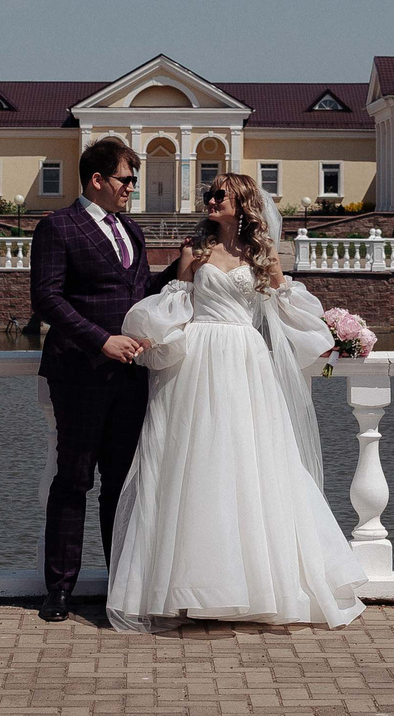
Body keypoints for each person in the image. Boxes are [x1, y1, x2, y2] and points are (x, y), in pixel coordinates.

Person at [102, 169, 367, 632]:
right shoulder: (195, 250)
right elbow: (175, 303)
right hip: (195, 364)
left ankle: (259, 586)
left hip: (245, 362)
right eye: (208, 193)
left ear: (242, 202)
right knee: (191, 466)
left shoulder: (261, 255)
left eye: (218, 194)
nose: (210, 199)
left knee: (252, 464)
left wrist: (333, 337)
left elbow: (288, 307)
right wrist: (150, 336)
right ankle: (184, 590)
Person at [27, 137, 154, 622]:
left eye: (134, 181)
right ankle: (59, 590)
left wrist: (181, 271)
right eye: (126, 179)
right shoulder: (57, 226)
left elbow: (138, 293)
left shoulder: (132, 231)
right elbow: (48, 299)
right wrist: (102, 340)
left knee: (121, 485)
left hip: (130, 375)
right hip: (80, 372)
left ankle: (118, 587)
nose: (132, 189)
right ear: (97, 180)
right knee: (74, 479)